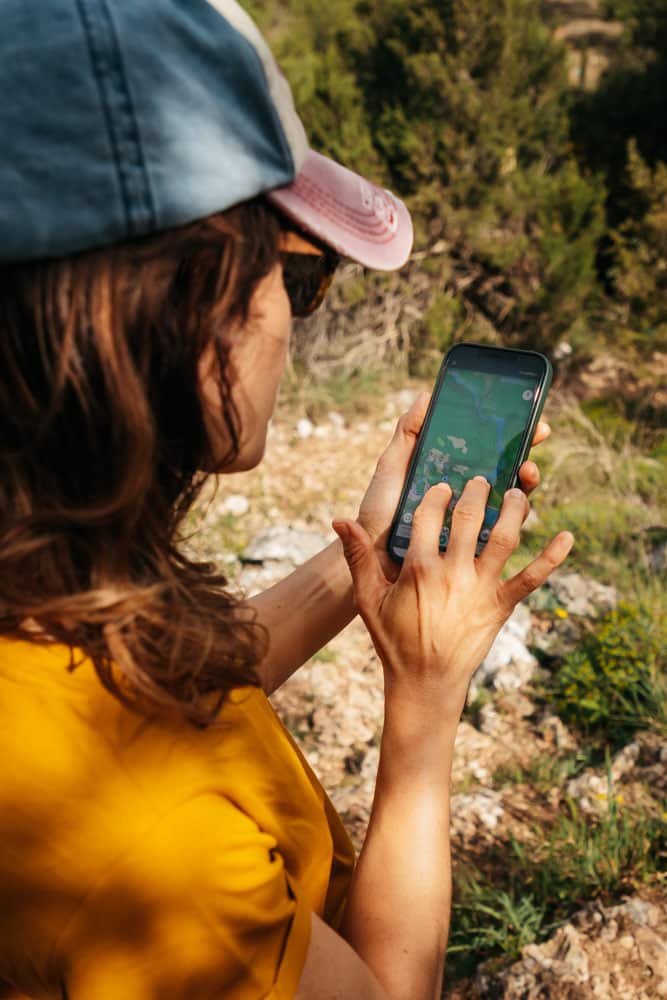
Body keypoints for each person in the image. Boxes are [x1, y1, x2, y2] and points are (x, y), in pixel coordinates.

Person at [0, 2, 574, 998]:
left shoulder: (40, 601)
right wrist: (425, 703)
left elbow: (140, 703)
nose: (293, 319)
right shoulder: (157, 858)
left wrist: (367, 565)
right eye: (298, 275)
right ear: (194, 308)